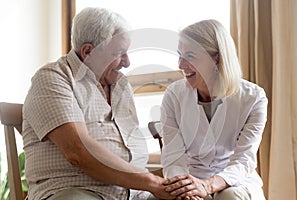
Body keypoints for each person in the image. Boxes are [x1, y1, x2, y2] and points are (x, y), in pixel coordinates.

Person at [22, 7, 175, 200]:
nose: (127, 63)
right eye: (120, 53)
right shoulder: (53, 78)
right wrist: (153, 182)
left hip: (135, 194)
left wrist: (170, 185)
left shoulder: (121, 85)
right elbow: (78, 151)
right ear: (88, 52)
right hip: (77, 190)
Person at [160, 19, 268, 200]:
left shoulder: (253, 98)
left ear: (216, 59)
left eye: (190, 56)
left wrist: (208, 185)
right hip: (190, 176)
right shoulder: (174, 95)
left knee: (229, 196)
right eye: (179, 55)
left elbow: (243, 160)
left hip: (234, 179)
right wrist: (186, 188)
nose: (180, 65)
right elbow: (173, 157)